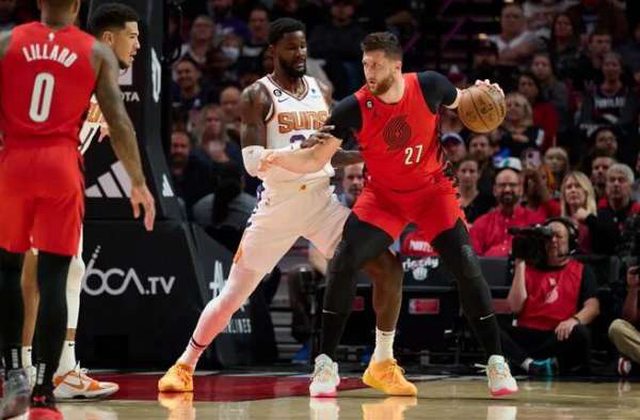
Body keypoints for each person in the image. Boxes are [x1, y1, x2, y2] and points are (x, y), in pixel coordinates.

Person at [157, 19, 413, 398]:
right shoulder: (256, 95)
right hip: (278, 206)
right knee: (232, 296)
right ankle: (184, 364)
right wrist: (300, 151)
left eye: (303, 46)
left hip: (322, 203)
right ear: (272, 51)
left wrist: (367, 155)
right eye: (292, 47)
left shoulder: (321, 90)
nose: (300, 54)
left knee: (388, 267)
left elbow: (330, 154)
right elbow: (251, 162)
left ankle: (383, 361)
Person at [262, 32, 519, 397]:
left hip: (432, 193)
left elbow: (467, 100)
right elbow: (317, 158)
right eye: (366, 64)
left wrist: (487, 91)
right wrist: (275, 158)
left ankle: (496, 362)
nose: (369, 72)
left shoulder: (429, 85)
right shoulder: (351, 107)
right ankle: (325, 364)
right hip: (384, 197)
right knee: (344, 259)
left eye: (377, 65)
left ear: (396, 66)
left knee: (466, 265)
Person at [0, 0, 155, 418]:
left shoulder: (14, 44)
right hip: (54, 168)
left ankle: (46, 369)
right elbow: (119, 122)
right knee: (39, 274)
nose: (138, 45)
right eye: (133, 36)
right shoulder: (89, 58)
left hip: (20, 167)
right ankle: (33, 373)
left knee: (56, 270)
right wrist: (138, 182)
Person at [502, 218, 600, 376]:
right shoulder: (527, 268)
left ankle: (524, 362)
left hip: (557, 335)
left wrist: (574, 320)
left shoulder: (582, 270)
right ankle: (530, 365)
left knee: (580, 333)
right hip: (528, 334)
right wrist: (520, 263)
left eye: (559, 236)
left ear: (570, 242)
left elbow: (593, 307)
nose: (553, 241)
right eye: (548, 237)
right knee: (489, 325)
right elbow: (515, 307)